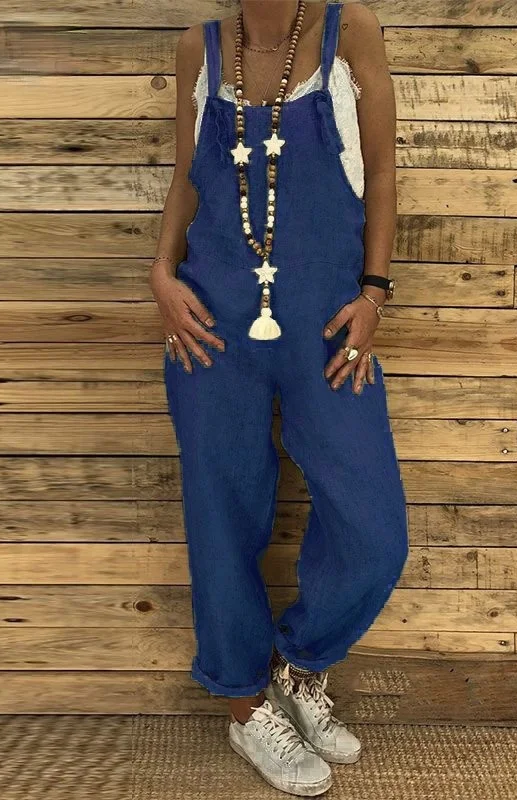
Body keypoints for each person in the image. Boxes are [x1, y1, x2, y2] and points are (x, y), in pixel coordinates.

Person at [149, 1, 408, 795]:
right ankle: (243, 702)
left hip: (328, 324)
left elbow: (383, 171)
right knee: (221, 510)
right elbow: (188, 180)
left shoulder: (350, 31)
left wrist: (374, 293)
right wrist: (160, 274)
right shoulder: (199, 47)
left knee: (373, 529)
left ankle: (300, 665)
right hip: (210, 323)